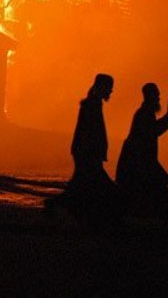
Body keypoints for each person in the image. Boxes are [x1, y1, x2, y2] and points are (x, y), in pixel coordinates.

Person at [49, 73, 120, 230]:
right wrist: (94, 153)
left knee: (79, 186)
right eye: (109, 88)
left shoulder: (92, 103)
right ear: (102, 87)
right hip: (88, 154)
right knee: (102, 187)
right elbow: (91, 132)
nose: (111, 91)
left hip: (85, 153)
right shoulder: (92, 105)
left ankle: (58, 206)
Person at [116, 83, 168, 221]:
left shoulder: (144, 113)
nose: (159, 99)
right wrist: (166, 121)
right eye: (157, 96)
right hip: (139, 162)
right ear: (151, 96)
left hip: (139, 161)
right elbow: (151, 132)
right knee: (157, 191)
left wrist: (165, 121)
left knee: (145, 193)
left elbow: (151, 131)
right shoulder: (145, 114)